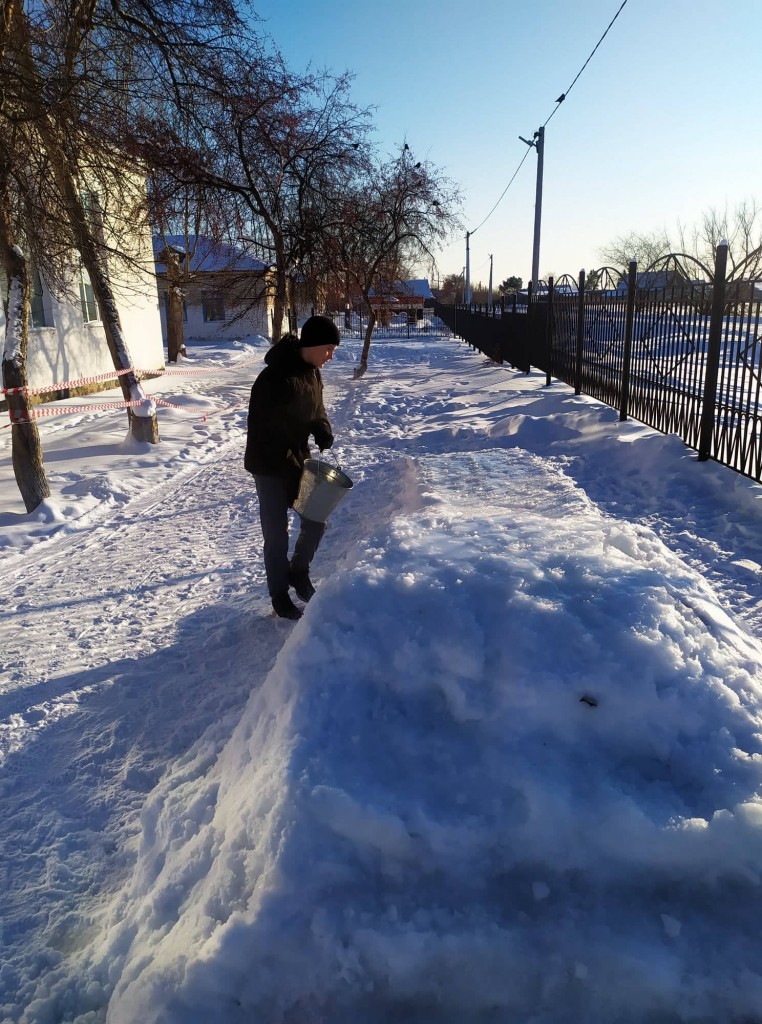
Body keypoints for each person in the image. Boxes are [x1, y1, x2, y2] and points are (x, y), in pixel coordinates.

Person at [244, 315, 340, 620]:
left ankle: (298, 571)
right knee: (276, 534)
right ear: (312, 344)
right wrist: (290, 461)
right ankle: (279, 594)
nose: (331, 356)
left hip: (297, 460)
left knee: (315, 521)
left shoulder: (313, 374)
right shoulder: (273, 379)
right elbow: (265, 431)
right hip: (269, 465)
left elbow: (317, 409)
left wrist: (322, 429)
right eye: (328, 349)